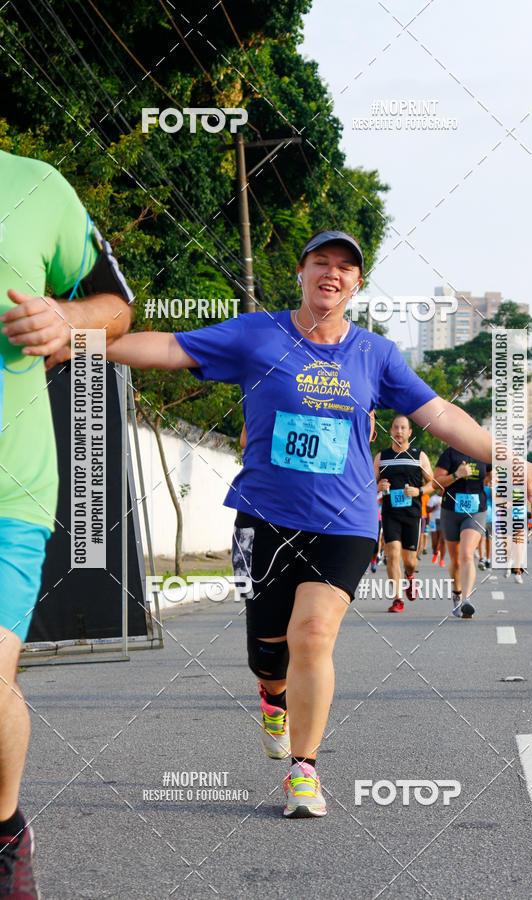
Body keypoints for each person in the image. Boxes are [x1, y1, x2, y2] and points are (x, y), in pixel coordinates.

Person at [105, 228, 532, 819]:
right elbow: (172, 347)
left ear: (355, 284)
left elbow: (445, 418)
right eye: (320, 262)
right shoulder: (256, 334)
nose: (332, 273)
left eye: (345, 267)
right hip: (262, 518)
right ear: (300, 273)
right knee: (268, 651)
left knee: (314, 635)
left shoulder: (376, 355)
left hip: (346, 519)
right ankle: (272, 697)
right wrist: (86, 340)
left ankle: (305, 770)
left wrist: (514, 460)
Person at [0, 149, 133, 895]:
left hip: (6, 488)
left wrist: (67, 318)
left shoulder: (37, 185)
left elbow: (114, 302)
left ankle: (3, 830)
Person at [374, 415, 434, 612]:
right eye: (395, 428)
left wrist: (419, 491)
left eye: (403, 428)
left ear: (409, 433)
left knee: (410, 560)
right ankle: (397, 599)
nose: (399, 431)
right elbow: (369, 485)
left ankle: (410, 576)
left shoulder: (419, 456)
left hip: (413, 514)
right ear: (390, 431)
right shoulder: (382, 457)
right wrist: (378, 485)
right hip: (391, 513)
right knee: (392, 555)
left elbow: (433, 484)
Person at [434, 449, 492, 618]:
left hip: (476, 510)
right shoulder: (449, 454)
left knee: (466, 554)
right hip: (451, 510)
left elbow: (491, 475)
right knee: (456, 560)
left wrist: (491, 479)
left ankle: (466, 599)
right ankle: (457, 594)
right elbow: (436, 484)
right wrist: (456, 475)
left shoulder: (483, 452)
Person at [427, 492, 446, 566]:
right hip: (434, 521)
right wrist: (435, 506)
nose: (442, 490)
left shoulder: (448, 497)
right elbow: (427, 510)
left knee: (443, 540)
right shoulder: (433, 498)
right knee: (434, 542)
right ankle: (435, 552)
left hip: (444, 520)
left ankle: (441, 560)